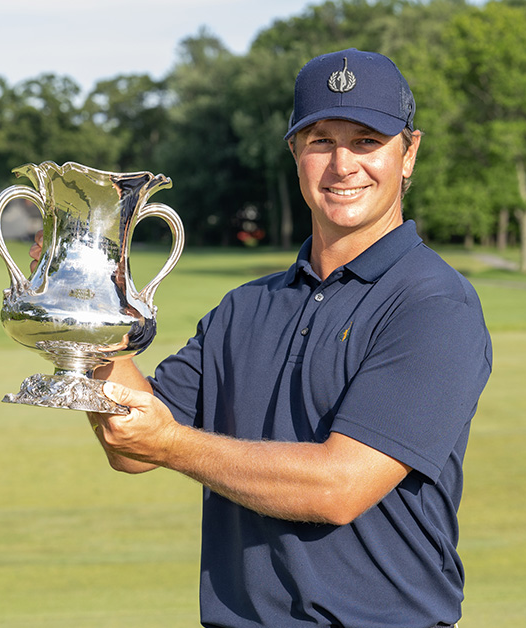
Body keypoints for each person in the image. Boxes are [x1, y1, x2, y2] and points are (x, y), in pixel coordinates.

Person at [42, 49, 492, 628]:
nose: (342, 164)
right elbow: (131, 448)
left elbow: (338, 487)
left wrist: (174, 444)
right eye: (320, 141)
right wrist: (89, 304)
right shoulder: (245, 307)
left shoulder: (432, 305)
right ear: (295, 154)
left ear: (409, 153)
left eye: (366, 141)